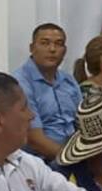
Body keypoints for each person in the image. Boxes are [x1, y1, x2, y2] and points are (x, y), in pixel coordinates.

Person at [13, 24, 83, 162]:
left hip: (74, 153)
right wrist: (73, 160)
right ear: (32, 48)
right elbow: (34, 139)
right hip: (40, 161)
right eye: (45, 43)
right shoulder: (20, 83)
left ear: (65, 50)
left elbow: (83, 122)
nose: (52, 49)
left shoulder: (68, 80)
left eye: (59, 44)